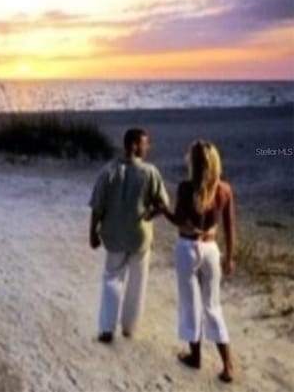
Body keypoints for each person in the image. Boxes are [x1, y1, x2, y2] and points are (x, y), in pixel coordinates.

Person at [158, 140, 236, 383]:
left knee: (190, 304)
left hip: (187, 247)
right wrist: (229, 256)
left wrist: (162, 209)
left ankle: (196, 357)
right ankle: (228, 365)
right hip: (211, 249)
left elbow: (179, 220)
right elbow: (229, 226)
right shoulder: (224, 189)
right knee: (213, 306)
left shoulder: (185, 188)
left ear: (194, 162)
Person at [88, 128, 170, 343]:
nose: (148, 147)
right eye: (145, 143)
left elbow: (97, 206)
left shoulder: (108, 171)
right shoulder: (150, 171)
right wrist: (150, 213)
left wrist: (93, 233)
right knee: (137, 283)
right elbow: (163, 204)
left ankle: (107, 328)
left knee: (111, 279)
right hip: (139, 235)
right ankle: (129, 327)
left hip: (114, 235)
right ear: (135, 145)